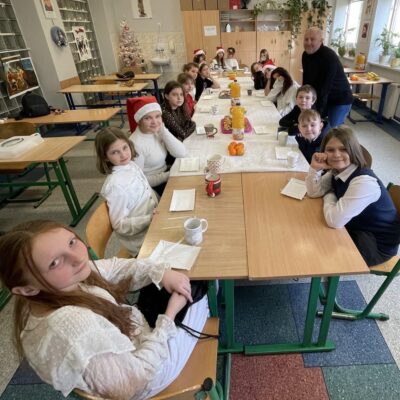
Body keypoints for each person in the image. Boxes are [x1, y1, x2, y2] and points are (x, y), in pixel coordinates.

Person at [0, 220, 209, 400]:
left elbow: (115, 268)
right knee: (201, 285)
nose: (78, 258)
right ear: (27, 288)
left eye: (71, 242)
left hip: (133, 336)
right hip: (151, 376)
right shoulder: (73, 332)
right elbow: (137, 379)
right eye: (55, 262)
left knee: (173, 278)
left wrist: (161, 274)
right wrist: (170, 315)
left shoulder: (53, 287)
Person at [306, 126, 400, 266]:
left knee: (315, 247)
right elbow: (313, 192)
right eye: (330, 150)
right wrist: (315, 169)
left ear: (353, 151)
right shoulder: (338, 170)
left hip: (374, 246)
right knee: (310, 229)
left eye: (343, 149)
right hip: (357, 227)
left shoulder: (364, 183)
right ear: (323, 152)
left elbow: (334, 221)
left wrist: (330, 194)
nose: (336, 155)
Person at [94, 127, 158, 257]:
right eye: (115, 152)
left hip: (154, 222)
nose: (123, 155)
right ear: (105, 157)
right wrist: (148, 219)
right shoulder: (116, 187)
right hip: (142, 242)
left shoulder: (130, 165)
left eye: (125, 147)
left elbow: (147, 191)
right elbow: (119, 225)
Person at [128, 96, 186, 196]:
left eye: (157, 116)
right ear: (139, 120)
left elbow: (181, 153)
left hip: (165, 174)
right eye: (147, 118)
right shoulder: (136, 144)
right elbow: (139, 181)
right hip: (153, 187)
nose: (154, 122)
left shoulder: (156, 131)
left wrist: (164, 131)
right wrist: (167, 176)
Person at [302, 27, 353, 129]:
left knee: (331, 130)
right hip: (323, 97)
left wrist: (318, 114)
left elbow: (325, 88)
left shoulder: (329, 56)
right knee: (315, 126)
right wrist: (305, 100)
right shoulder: (305, 55)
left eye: (312, 39)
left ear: (321, 41)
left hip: (340, 99)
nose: (308, 42)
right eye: (306, 39)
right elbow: (307, 82)